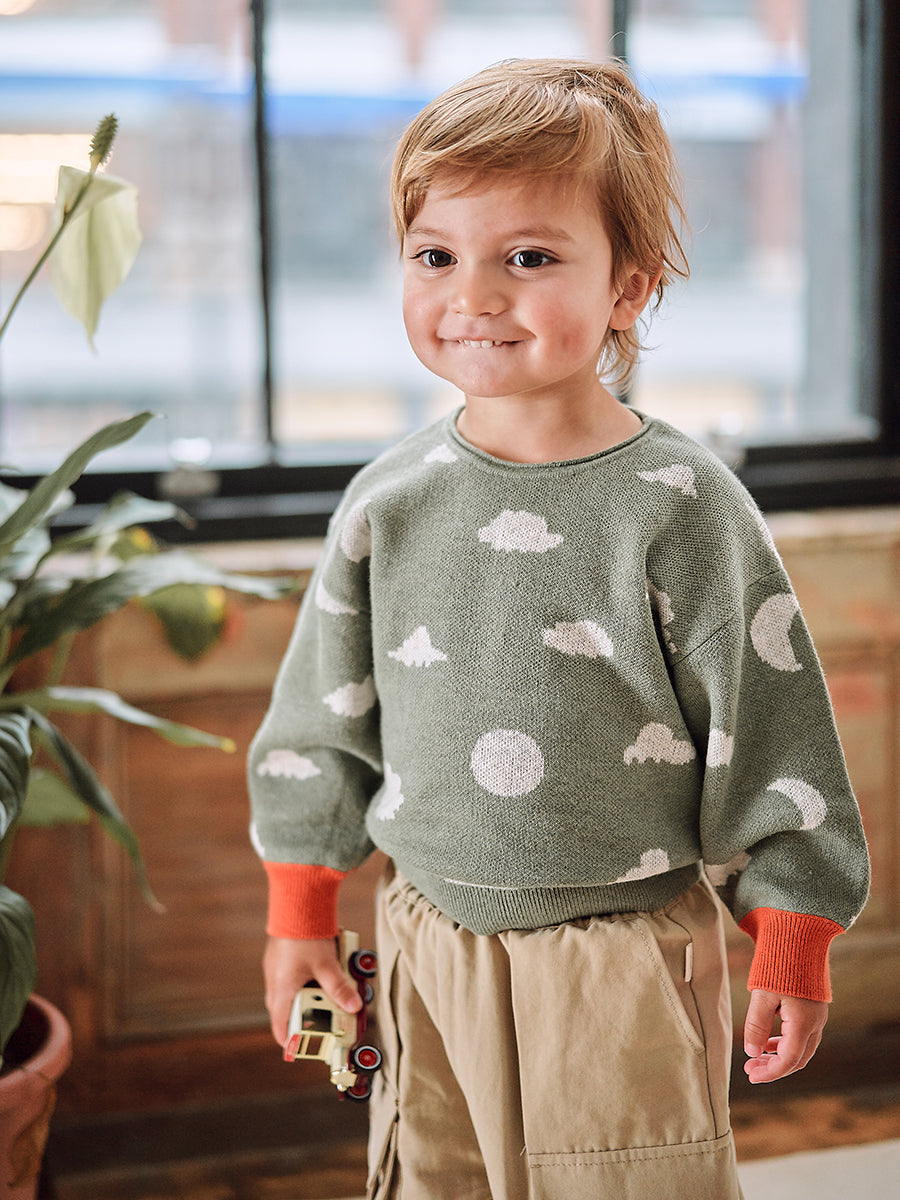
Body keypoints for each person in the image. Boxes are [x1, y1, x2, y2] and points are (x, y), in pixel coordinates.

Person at [248, 58, 870, 1200]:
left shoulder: (683, 506)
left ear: (628, 289)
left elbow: (774, 734)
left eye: (528, 258)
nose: (474, 296)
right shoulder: (388, 503)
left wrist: (793, 936)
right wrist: (301, 913)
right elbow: (320, 722)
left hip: (621, 959)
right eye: (437, 256)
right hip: (424, 942)